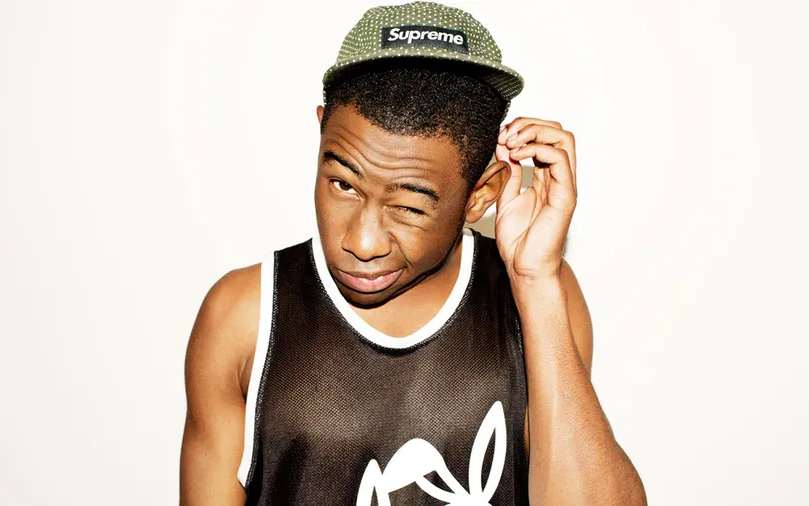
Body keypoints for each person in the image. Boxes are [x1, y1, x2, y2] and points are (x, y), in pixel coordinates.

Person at [179, 2, 646, 504]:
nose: (361, 242)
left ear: (481, 195)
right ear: (321, 133)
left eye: (408, 207)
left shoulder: (534, 298)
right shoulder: (245, 315)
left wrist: (536, 282)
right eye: (343, 184)